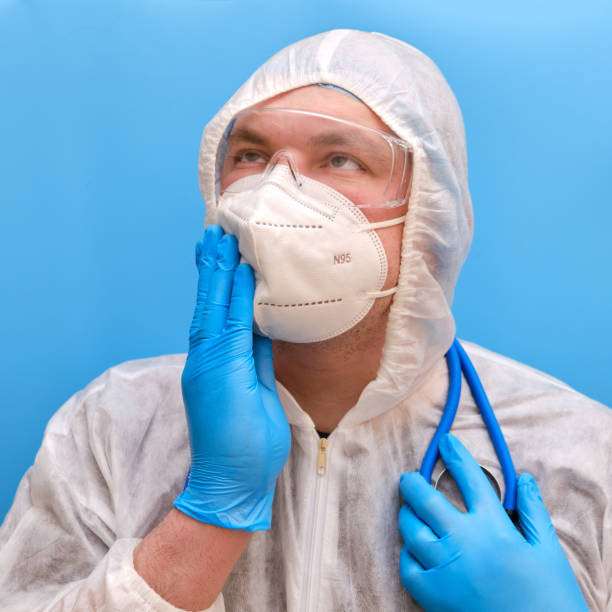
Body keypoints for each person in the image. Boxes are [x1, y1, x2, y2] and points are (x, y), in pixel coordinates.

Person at [0, 29, 610, 612]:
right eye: (251, 155)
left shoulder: (576, 452)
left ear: (432, 214)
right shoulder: (114, 427)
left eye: (340, 159)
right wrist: (210, 512)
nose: (274, 193)